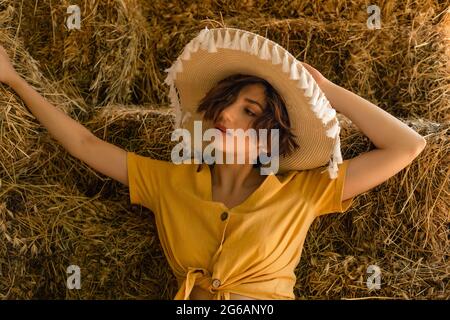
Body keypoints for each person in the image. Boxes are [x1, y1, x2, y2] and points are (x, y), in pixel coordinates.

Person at [0, 27, 426, 300]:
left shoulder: (305, 190)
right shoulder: (168, 182)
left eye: (247, 111)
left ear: (271, 135)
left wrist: (328, 91)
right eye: (224, 104)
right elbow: (84, 142)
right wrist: (14, 79)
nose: (225, 115)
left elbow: (407, 146)